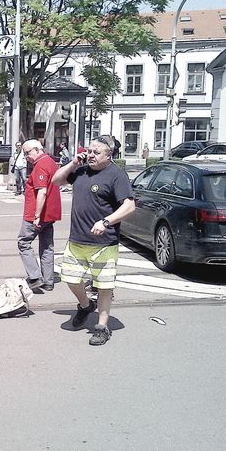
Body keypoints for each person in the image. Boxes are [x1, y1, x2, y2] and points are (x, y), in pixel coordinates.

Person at [52, 135, 135, 346]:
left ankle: (102, 326)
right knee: (70, 279)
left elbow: (129, 206)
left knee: (104, 287)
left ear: (109, 155)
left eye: (96, 152)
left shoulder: (117, 175)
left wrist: (106, 221)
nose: (90, 155)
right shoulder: (81, 170)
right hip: (77, 240)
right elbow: (56, 180)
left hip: (104, 244)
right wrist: (73, 162)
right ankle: (85, 304)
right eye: (89, 151)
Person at [17, 140, 61, 291]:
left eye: (27, 153)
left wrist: (36, 216)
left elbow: (41, 192)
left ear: (36, 150)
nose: (26, 156)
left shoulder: (41, 165)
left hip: (36, 215)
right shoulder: (51, 162)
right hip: (50, 214)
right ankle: (48, 281)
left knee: (23, 243)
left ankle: (35, 277)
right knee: (47, 246)